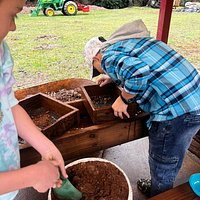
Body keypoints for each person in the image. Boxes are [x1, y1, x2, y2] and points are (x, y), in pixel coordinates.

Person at [84, 19, 200, 197]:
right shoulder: (129, 42)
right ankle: (160, 184)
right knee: (175, 152)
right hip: (193, 100)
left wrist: (123, 99)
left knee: (163, 159)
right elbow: (138, 65)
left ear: (95, 58)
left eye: (97, 69)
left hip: (175, 111)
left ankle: (159, 193)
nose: (101, 71)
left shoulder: (106, 57)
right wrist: (113, 77)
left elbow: (138, 72)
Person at [0, 0, 68, 199]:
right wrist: (30, 176)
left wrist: (45, 145)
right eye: (13, 15)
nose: (13, 26)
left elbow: (8, 103)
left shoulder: (2, 52)